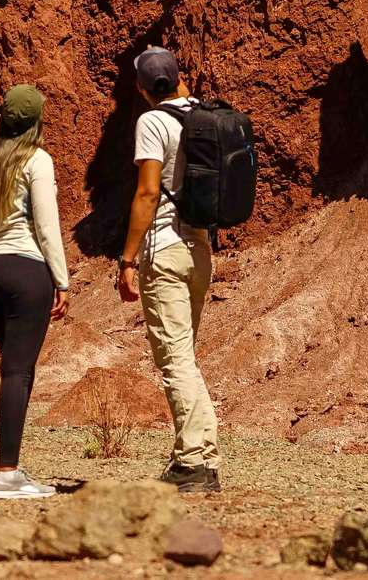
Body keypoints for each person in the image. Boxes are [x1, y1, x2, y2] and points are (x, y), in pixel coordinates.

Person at [117, 46, 220, 493]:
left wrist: (127, 258)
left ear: (141, 89)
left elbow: (147, 193)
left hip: (164, 250)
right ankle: (203, 458)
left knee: (176, 362)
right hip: (200, 249)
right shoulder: (204, 116)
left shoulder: (152, 122)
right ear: (180, 77)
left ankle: (192, 463)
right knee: (186, 360)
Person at [0, 83, 69, 499]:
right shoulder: (38, 160)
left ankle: (12, 469)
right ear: (37, 121)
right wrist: (62, 280)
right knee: (18, 372)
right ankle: (7, 474)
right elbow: (47, 228)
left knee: (12, 369)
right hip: (26, 270)